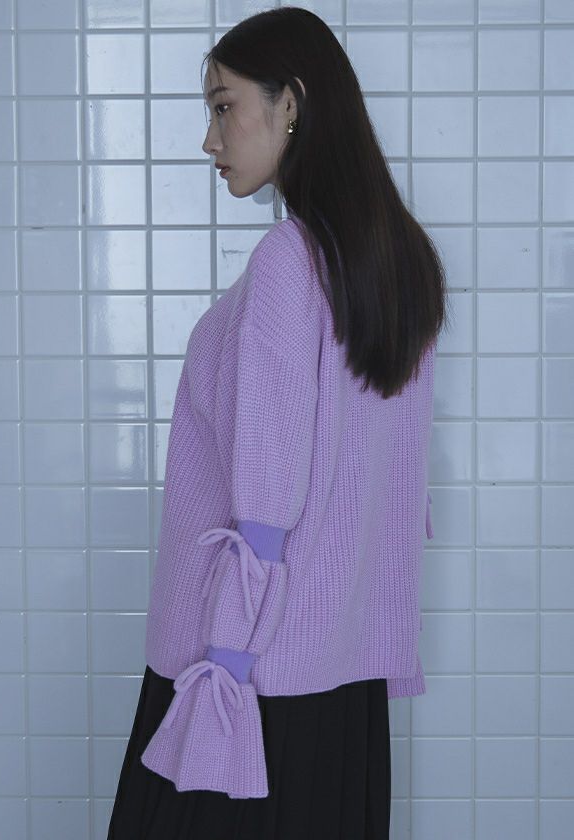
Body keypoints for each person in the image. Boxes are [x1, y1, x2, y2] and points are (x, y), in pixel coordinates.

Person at [107, 6, 449, 839]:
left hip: (246, 676)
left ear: (290, 102)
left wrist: (223, 670)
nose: (210, 139)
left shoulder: (289, 263)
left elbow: (266, 506)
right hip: (343, 679)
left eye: (224, 107)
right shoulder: (399, 261)